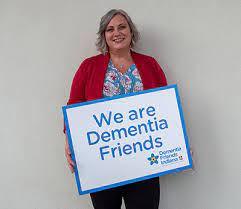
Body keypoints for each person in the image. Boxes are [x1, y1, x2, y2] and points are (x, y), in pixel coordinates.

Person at [64, 9, 167, 209]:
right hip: (102, 163)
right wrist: (69, 141)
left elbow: (165, 106)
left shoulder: (150, 64)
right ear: (104, 35)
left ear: (131, 31)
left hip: (144, 161)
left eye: (122, 27)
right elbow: (74, 106)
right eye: (110, 29)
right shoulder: (89, 67)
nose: (116, 33)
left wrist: (177, 141)